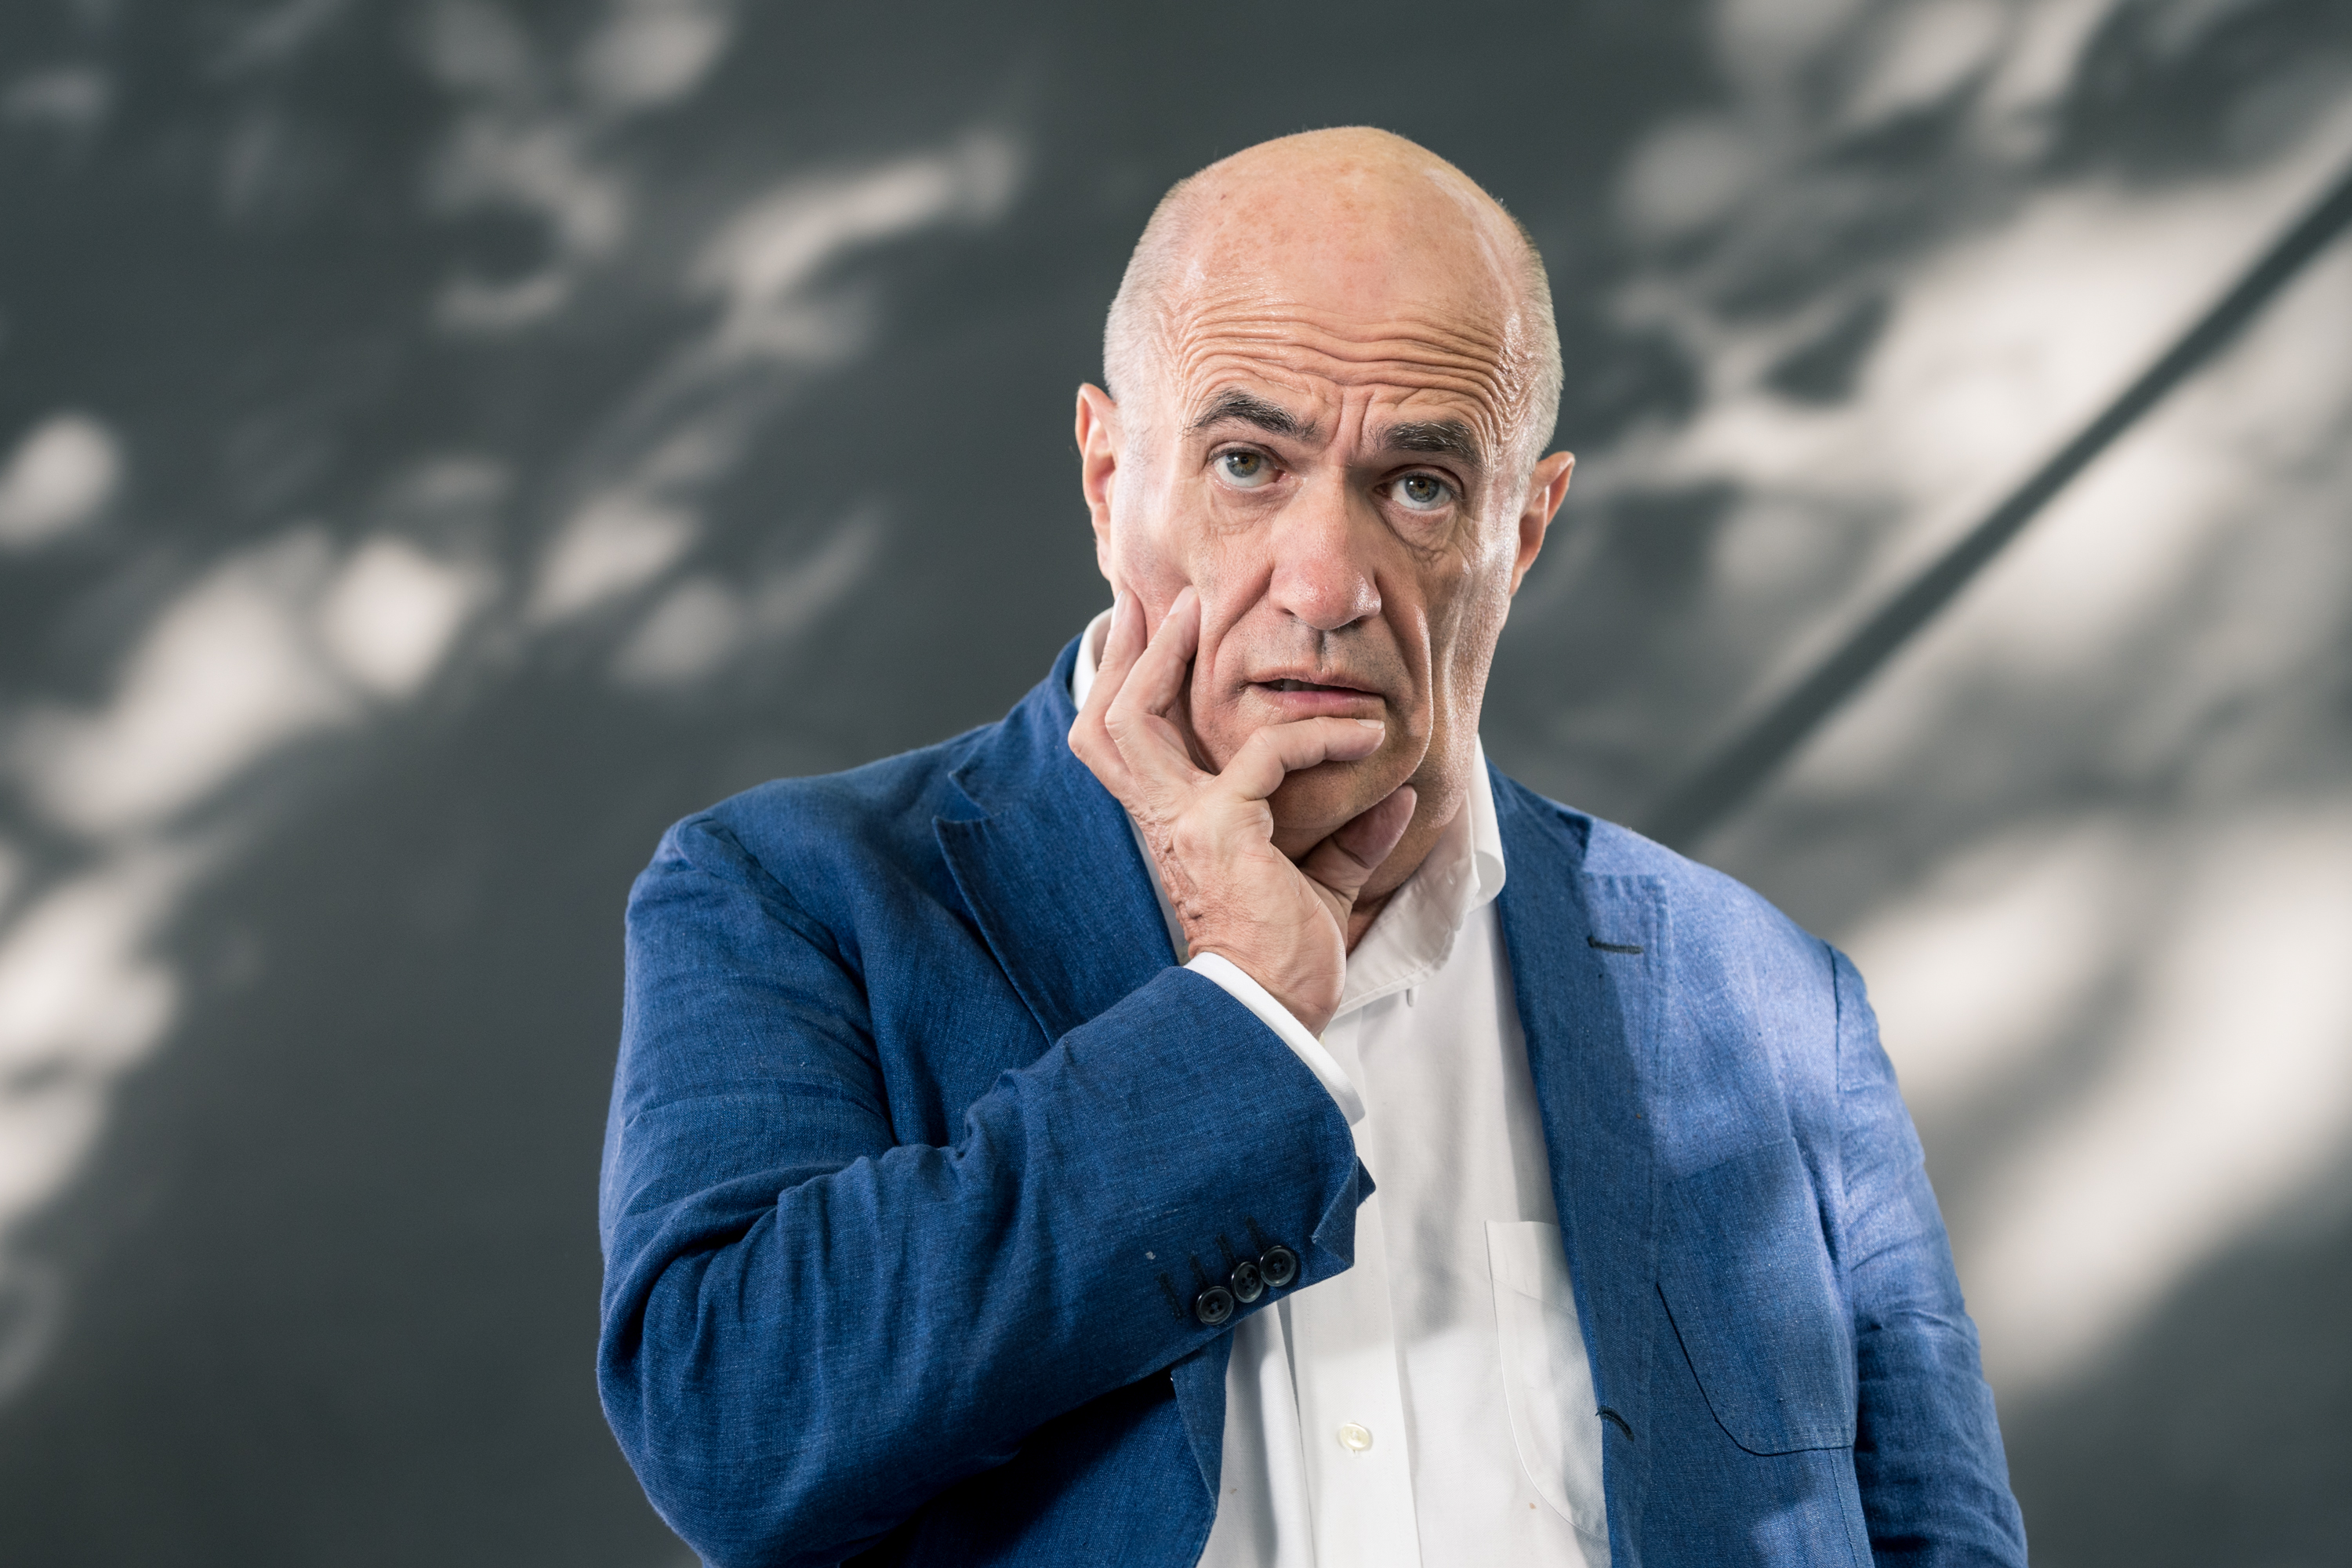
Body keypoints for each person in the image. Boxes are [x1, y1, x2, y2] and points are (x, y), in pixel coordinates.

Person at [597, 128, 2027, 1568]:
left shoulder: (1775, 1005)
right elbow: (731, 1435)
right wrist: (1238, 1022)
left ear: (1525, 529)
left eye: (1421, 484)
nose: (1329, 583)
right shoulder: (795, 896)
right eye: (1247, 463)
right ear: (1106, 478)